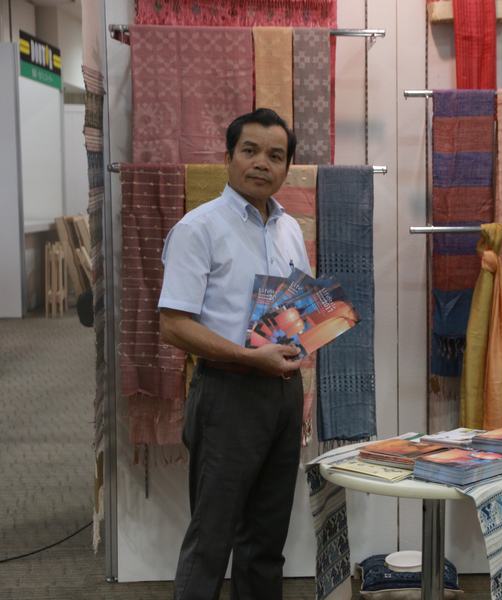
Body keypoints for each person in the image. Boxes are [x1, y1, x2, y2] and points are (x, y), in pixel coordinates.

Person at [158, 108, 312, 600]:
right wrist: (249, 359)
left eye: (275, 155)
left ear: (286, 167)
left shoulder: (289, 230)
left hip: (284, 394)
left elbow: (298, 310)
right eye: (250, 151)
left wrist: (314, 330)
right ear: (227, 157)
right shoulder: (199, 228)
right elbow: (173, 324)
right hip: (228, 392)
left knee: (266, 542)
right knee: (212, 539)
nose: (262, 163)